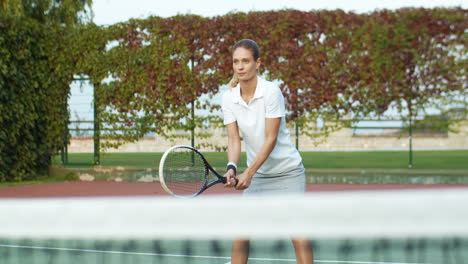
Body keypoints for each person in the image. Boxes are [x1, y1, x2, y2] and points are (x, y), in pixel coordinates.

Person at [221, 39, 314, 264]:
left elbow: (270, 139)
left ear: (258, 63)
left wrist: (249, 173)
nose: (240, 66)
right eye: (236, 62)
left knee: (299, 235)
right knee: (241, 236)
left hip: (287, 173)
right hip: (260, 176)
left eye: (246, 61)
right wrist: (232, 167)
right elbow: (234, 139)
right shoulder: (228, 98)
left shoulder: (271, 92)